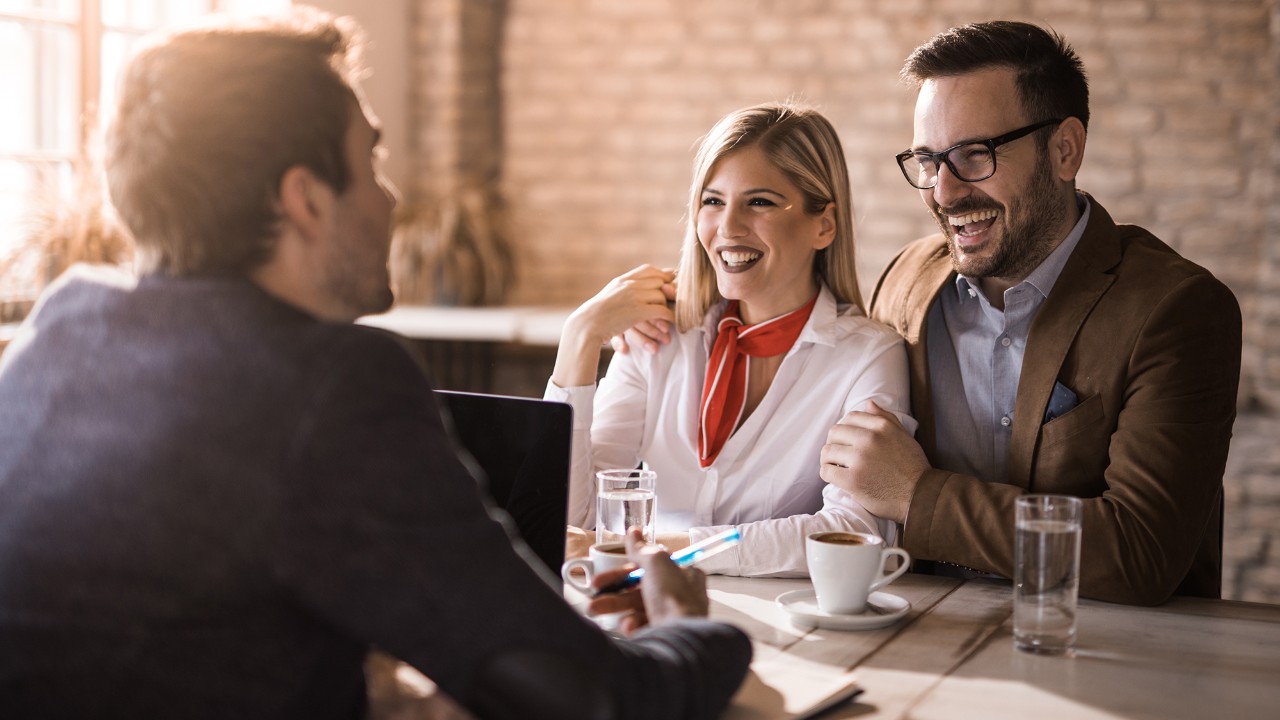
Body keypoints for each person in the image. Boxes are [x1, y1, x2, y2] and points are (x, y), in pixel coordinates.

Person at [0, 9, 750, 719]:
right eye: (371, 160)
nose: (391, 199)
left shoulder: (64, 326)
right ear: (305, 200)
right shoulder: (332, 382)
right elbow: (594, 697)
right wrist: (687, 622)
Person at [819, 21, 1241, 606]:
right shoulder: (906, 282)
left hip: (1108, 659)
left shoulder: (1176, 310)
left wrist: (918, 496)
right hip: (918, 639)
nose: (943, 192)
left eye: (975, 154)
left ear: (1064, 150)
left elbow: (1140, 553)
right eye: (927, 160)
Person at [547, 102, 914, 577]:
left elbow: (852, 533)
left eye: (759, 202)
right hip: (643, 608)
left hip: (790, 629)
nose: (728, 227)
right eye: (713, 201)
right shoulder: (659, 336)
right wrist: (578, 338)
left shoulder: (867, 357)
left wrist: (664, 549)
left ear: (823, 224)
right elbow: (571, 521)